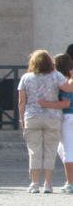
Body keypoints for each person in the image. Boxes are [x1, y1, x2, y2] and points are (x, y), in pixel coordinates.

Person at [17, 49, 66, 193]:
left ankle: (34, 183)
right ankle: (48, 184)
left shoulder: (26, 78)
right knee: (50, 150)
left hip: (32, 116)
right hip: (52, 117)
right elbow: (67, 89)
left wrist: (21, 120)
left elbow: (21, 101)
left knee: (34, 151)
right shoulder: (56, 76)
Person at [45, 53, 73, 193]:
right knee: (62, 149)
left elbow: (66, 103)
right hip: (68, 117)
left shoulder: (64, 81)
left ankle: (70, 182)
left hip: (68, 116)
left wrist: (46, 104)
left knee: (67, 150)